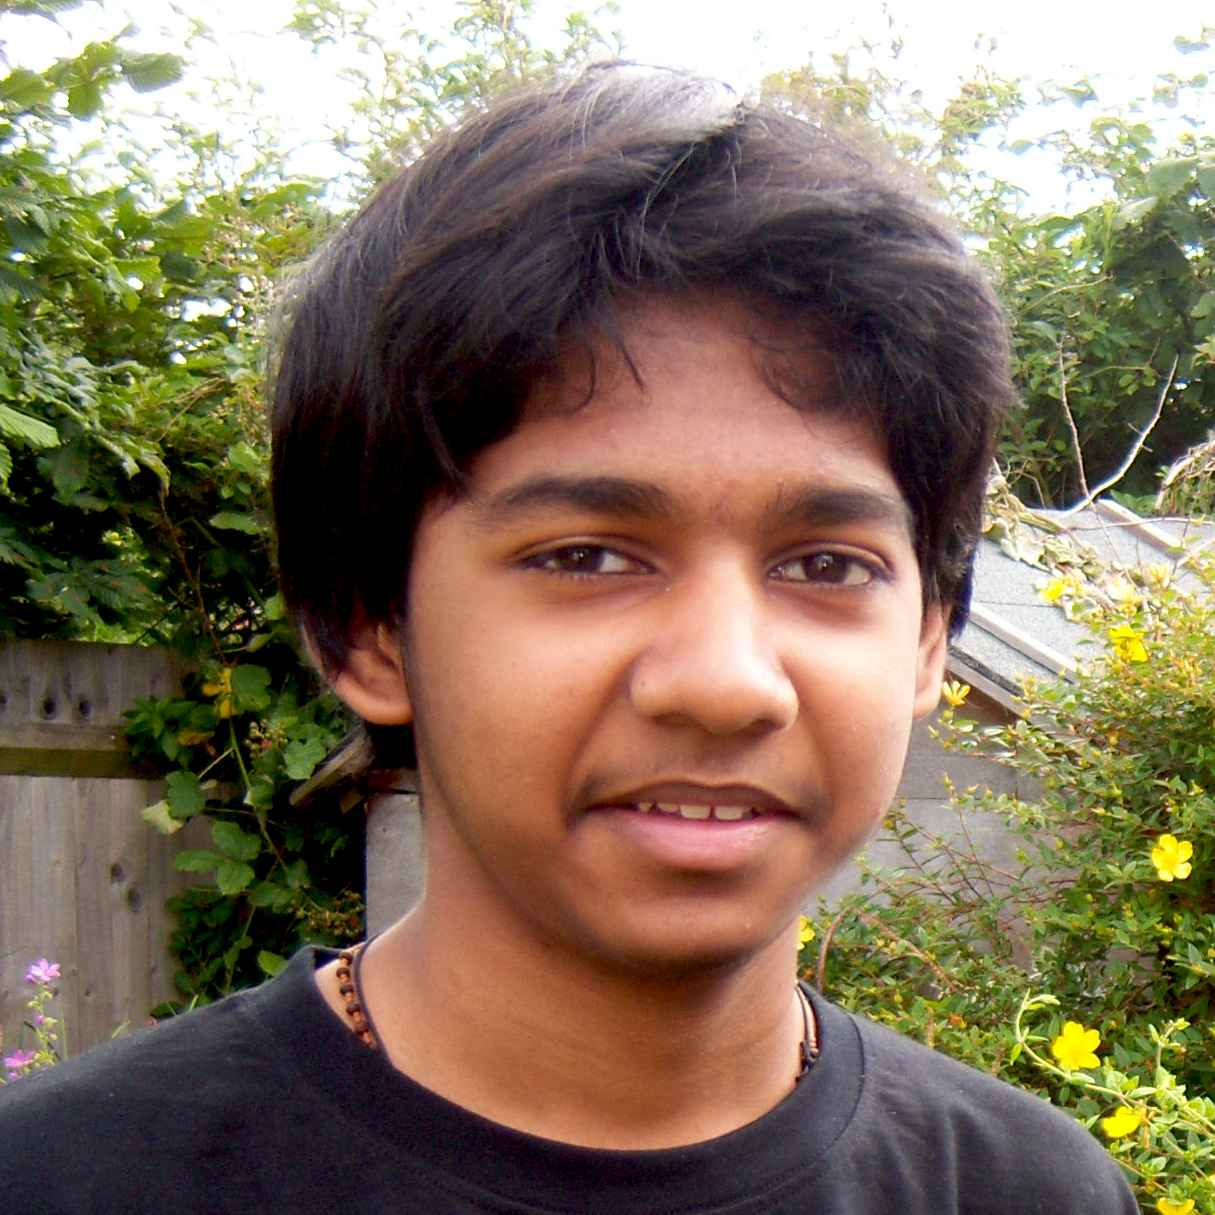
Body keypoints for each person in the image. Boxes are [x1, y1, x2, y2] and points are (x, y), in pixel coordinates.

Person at [0, 65, 1135, 1213]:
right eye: (587, 557)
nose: (727, 683)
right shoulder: (64, 1184)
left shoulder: (1026, 1193)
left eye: (826, 566)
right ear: (363, 623)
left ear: (931, 638)